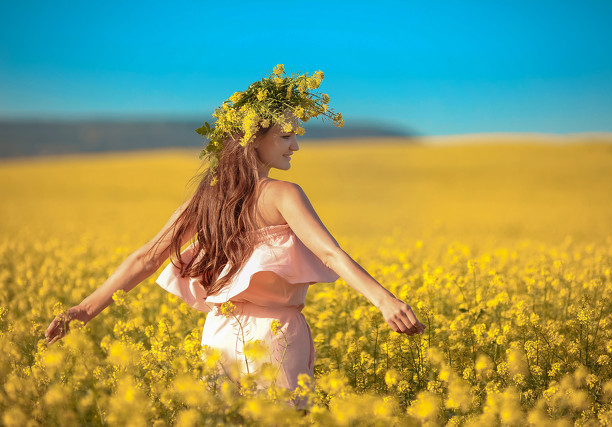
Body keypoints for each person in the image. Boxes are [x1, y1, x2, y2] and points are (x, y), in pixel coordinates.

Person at [44, 65, 425, 397]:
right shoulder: (282, 194)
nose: (296, 145)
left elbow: (146, 258)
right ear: (254, 138)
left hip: (219, 334)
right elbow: (329, 254)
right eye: (286, 135)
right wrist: (385, 301)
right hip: (275, 335)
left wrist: (84, 310)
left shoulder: (207, 199)